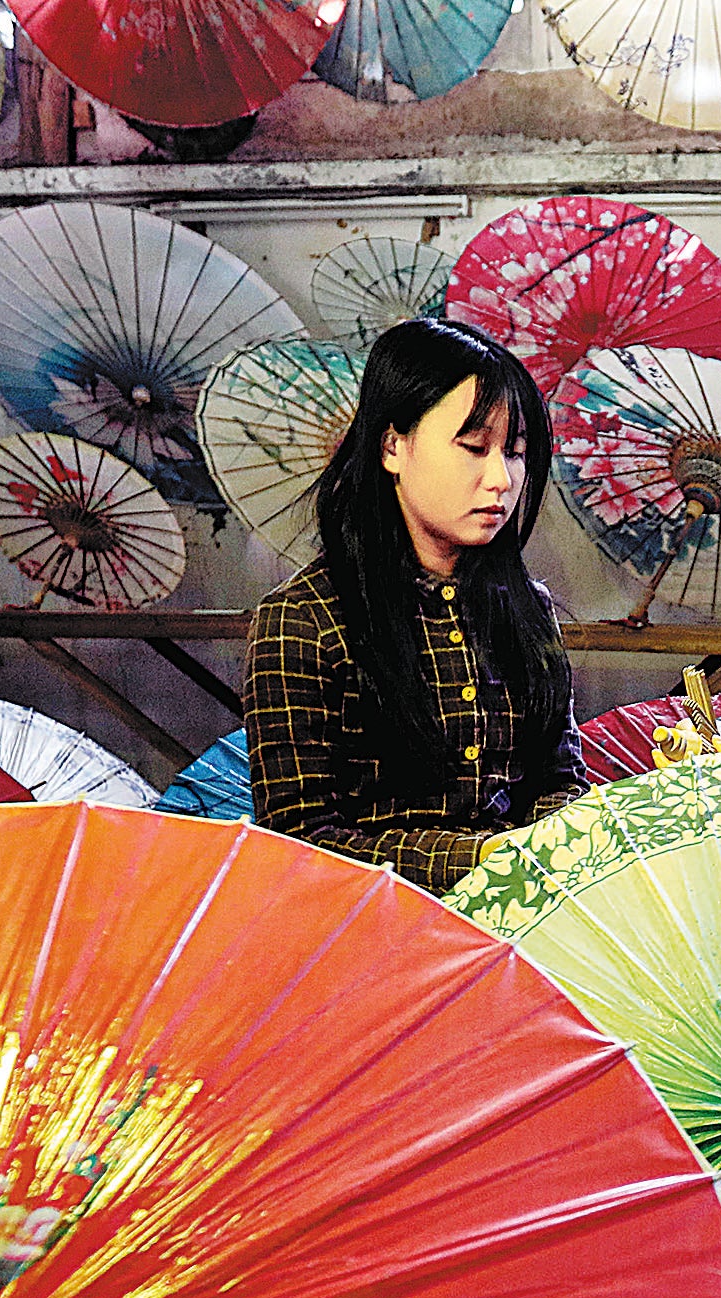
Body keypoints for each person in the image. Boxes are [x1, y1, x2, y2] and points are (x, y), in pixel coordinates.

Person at [244, 317, 580, 892]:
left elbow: (560, 779)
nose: (500, 479)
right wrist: (490, 860)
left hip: (527, 914)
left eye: (516, 453)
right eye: (474, 448)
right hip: (375, 936)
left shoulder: (527, 607)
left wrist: (557, 846)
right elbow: (302, 842)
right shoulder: (301, 622)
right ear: (393, 446)